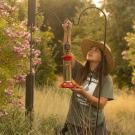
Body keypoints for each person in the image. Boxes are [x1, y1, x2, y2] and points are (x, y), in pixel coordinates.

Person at [60, 19, 114, 135]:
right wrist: (67, 32)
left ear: (102, 58)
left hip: (94, 127)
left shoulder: (106, 78)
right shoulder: (80, 70)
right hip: (73, 122)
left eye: (96, 51)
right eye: (91, 49)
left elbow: (101, 104)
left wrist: (83, 93)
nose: (91, 51)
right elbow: (67, 53)